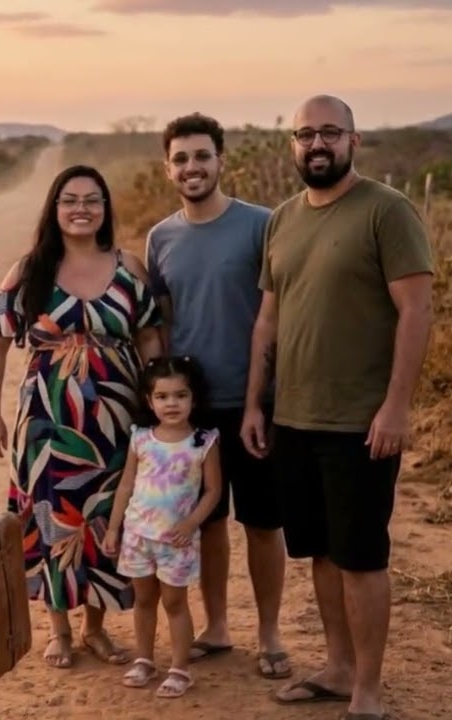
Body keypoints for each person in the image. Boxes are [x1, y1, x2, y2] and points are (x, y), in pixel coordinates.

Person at [243, 94, 433, 720]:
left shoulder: (387, 210)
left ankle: (369, 691)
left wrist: (396, 407)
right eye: (305, 134)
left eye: (330, 132)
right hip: (293, 415)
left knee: (360, 555)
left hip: (361, 421)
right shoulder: (283, 219)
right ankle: (337, 666)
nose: (316, 144)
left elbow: (415, 311)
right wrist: (254, 405)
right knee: (320, 551)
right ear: (292, 145)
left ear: (355, 140)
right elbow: (268, 319)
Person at [0, 164, 163, 669]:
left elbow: (149, 336)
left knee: (105, 515)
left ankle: (95, 627)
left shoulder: (129, 266)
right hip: (45, 420)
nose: (81, 208)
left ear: (105, 208)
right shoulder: (29, 269)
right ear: (54, 209)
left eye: (92, 199)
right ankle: (59, 629)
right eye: (69, 199)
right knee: (52, 514)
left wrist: (157, 404)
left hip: (115, 420)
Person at [143, 112, 291, 679]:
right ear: (168, 167)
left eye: (202, 156)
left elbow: (277, 315)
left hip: (254, 400)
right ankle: (219, 626)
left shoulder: (261, 225)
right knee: (207, 523)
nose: (192, 167)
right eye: (180, 158)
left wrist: (264, 396)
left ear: (221, 160)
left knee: (261, 521)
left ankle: (271, 634)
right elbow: (161, 321)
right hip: (193, 410)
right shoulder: (161, 237)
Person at [105, 355, 223, 699]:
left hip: (177, 541)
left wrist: (191, 523)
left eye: (180, 395)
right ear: (149, 400)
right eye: (162, 396)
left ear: (193, 398)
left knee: (174, 602)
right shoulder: (141, 438)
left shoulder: (203, 442)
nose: (171, 403)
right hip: (139, 536)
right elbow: (126, 485)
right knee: (143, 600)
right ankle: (144, 660)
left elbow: (214, 490)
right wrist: (114, 529)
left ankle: (179, 668)